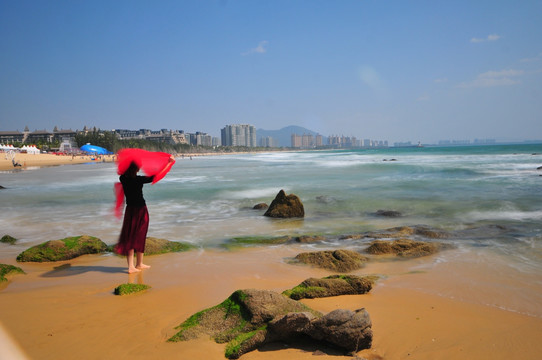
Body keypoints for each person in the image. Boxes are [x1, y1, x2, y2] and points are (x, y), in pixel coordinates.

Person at [115, 155, 175, 273]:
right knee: (138, 235)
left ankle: (138, 264)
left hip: (130, 210)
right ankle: (132, 267)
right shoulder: (138, 180)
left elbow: (123, 172)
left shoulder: (123, 179)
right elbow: (155, 176)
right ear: (136, 169)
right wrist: (168, 163)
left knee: (132, 235)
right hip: (141, 210)